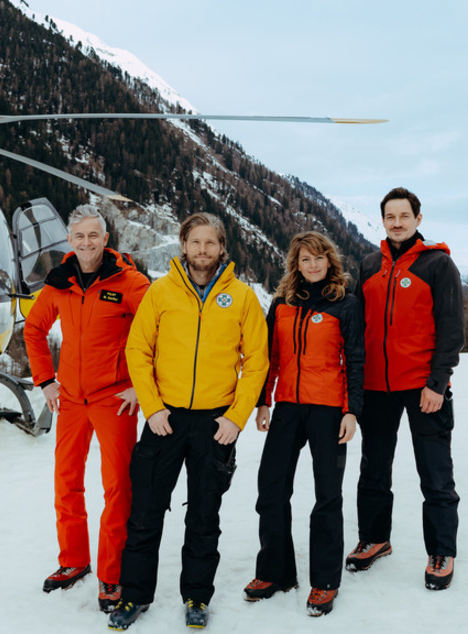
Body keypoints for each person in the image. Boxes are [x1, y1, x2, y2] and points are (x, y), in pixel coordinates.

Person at [107, 212, 269, 631]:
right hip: (165, 419)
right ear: (183, 245)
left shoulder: (243, 297)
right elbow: (137, 350)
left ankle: (197, 595)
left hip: (216, 423)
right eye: (195, 242)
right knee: (144, 512)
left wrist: (236, 417)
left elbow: (257, 363)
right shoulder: (161, 292)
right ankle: (133, 596)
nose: (202, 251)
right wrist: (153, 407)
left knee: (203, 516)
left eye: (209, 243)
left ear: (221, 247)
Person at [24, 205, 150, 612]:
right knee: (67, 483)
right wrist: (45, 380)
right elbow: (34, 329)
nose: (86, 243)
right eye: (78, 236)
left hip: (115, 400)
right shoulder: (60, 284)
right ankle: (73, 561)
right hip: (72, 401)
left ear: (105, 238)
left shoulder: (130, 283)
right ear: (70, 241)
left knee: (118, 489)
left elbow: (157, 332)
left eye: (93, 235)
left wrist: (137, 386)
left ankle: (111, 575)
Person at [345, 187, 464, 591]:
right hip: (377, 388)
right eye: (390, 216)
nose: (397, 222)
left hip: (422, 387)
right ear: (383, 220)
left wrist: (437, 382)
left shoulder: (437, 264)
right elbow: (356, 327)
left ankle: (441, 550)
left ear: (418, 219)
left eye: (404, 215)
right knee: (373, 470)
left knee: (435, 473)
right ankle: (375, 539)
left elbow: (452, 331)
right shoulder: (368, 265)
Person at [243, 232, 364, 617]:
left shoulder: (344, 303)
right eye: (304, 260)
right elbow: (269, 357)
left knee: (327, 494)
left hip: (328, 408)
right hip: (288, 407)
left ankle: (325, 581)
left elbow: (356, 360)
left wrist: (351, 411)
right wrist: (263, 400)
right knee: (271, 488)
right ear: (294, 265)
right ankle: (275, 572)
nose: (312, 265)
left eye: (318, 258)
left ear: (330, 261)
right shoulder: (282, 304)